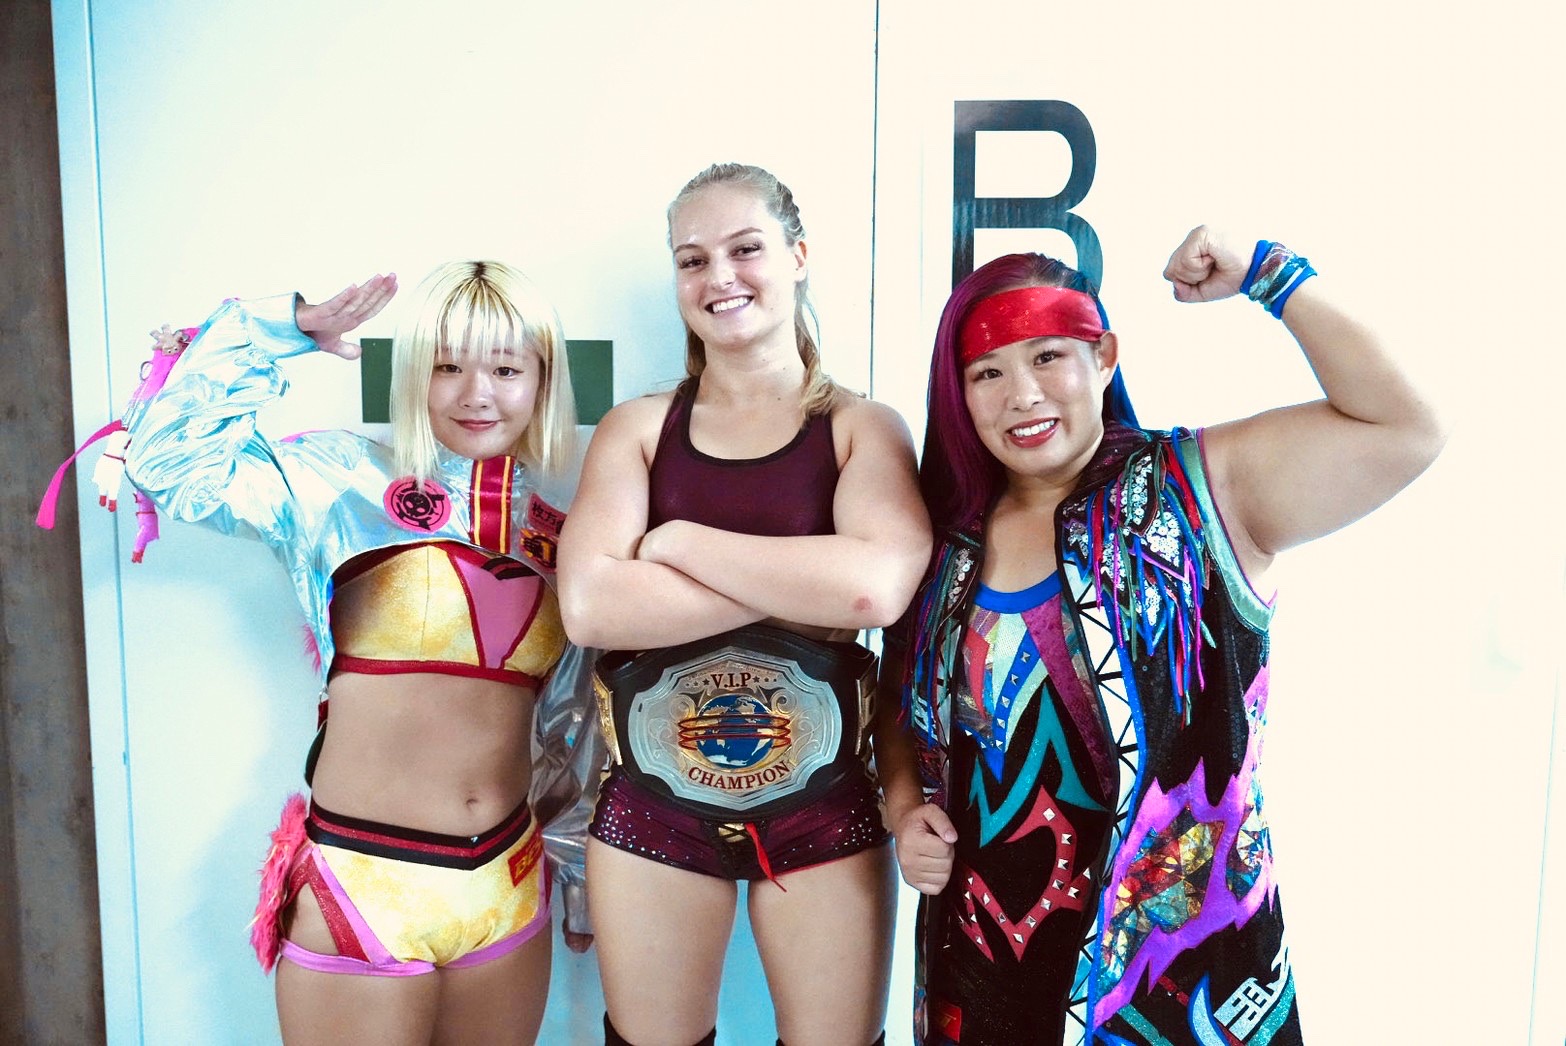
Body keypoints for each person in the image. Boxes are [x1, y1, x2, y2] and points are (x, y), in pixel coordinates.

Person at [876, 229, 1446, 1044]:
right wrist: (906, 810)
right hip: (984, 974)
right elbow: (898, 697)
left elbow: (1407, 425)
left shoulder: (1204, 491)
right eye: (987, 373)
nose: (1022, 394)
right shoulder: (946, 540)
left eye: (1049, 357)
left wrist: (1270, 273)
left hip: (1181, 981)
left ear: (1104, 357)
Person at [108, 261, 598, 1044]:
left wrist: (574, 867)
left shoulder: (565, 529)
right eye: (448, 366)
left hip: (506, 882)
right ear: (412, 374)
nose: (478, 394)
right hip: (364, 877)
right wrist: (278, 328)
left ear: (542, 381)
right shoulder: (338, 480)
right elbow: (169, 466)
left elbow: (572, 719)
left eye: (507, 369)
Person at [557, 163, 932, 1046]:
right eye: (692, 260)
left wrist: (680, 543)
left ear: (797, 256)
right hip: (653, 805)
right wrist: (798, 588)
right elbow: (591, 607)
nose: (718, 277)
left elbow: (872, 589)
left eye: (745, 249)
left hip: (825, 803)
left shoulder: (862, 427)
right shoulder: (636, 428)